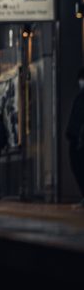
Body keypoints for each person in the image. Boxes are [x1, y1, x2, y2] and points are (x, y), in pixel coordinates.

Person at [66, 66, 84, 207]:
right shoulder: (80, 96)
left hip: (79, 139)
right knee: (77, 166)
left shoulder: (81, 97)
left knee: (79, 166)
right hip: (76, 137)